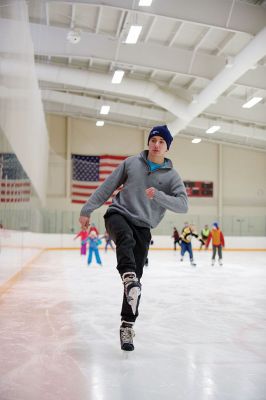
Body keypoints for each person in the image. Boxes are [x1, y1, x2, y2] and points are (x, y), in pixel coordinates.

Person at [79, 125, 188, 351]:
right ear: (149, 142)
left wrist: (158, 195)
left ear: (167, 148)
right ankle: (128, 277)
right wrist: (87, 209)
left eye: (161, 142)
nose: (156, 144)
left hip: (144, 227)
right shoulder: (131, 163)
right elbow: (108, 186)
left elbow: (183, 205)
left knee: (136, 286)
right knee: (125, 240)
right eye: (153, 139)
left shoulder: (172, 176)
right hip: (118, 214)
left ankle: (127, 325)